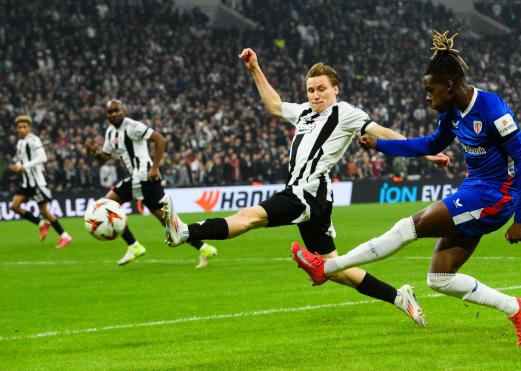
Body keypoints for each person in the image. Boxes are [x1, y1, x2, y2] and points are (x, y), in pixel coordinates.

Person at [163, 48, 449, 326]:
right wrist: (255, 69)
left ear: (336, 89)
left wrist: (425, 153)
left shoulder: (345, 112)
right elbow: (274, 105)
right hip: (314, 198)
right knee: (335, 269)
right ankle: (399, 297)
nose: (315, 95)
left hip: (307, 193)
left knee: (249, 216)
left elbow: (383, 132)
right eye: (311, 90)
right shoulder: (302, 113)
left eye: (321, 89)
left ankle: (186, 232)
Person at [292, 31, 521, 346]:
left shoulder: (491, 108)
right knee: (440, 279)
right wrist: (381, 145)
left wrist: (520, 218)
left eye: (429, 89)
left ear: (449, 86)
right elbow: (431, 143)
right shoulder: (452, 113)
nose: (426, 96)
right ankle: (517, 307)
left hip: (494, 197)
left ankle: (325, 267)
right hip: (474, 191)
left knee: (409, 227)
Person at [86, 100, 217, 268]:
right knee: (166, 221)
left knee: (107, 206)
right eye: (110, 112)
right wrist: (94, 153)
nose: (113, 114)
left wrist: (154, 167)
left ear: (123, 110)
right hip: (139, 180)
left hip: (144, 177)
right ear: (107, 115)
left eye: (116, 110)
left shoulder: (132, 126)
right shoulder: (111, 132)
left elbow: (159, 139)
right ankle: (204, 248)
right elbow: (105, 156)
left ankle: (134, 246)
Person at [9, 115, 72, 248]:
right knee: (15, 206)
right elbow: (21, 159)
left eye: (24, 127)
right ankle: (41, 224)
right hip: (26, 182)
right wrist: (17, 166)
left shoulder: (34, 140)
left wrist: (24, 166)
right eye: (19, 127)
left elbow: (43, 157)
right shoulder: (20, 142)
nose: (21, 129)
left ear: (29, 128)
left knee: (44, 212)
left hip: (37, 182)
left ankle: (65, 236)